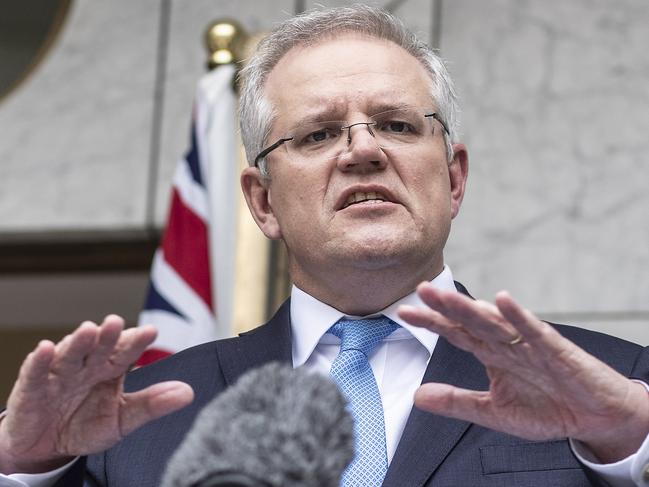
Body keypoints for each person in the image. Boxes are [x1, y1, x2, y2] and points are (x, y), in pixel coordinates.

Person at [1, 5, 648, 486]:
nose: (363, 150)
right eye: (316, 134)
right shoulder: (140, 418)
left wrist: (629, 442)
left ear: (452, 179)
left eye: (396, 124)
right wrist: (26, 464)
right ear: (262, 201)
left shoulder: (614, 391)